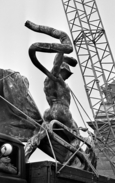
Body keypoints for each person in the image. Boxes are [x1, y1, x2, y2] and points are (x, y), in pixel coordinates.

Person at [24, 21, 79, 160]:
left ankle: (26, 153)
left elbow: (56, 66)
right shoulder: (58, 80)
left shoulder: (47, 82)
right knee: (76, 136)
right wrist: (62, 50)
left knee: (40, 134)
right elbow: (56, 64)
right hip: (62, 111)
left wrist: (65, 55)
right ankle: (70, 159)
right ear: (63, 71)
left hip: (49, 112)